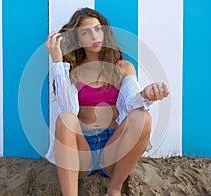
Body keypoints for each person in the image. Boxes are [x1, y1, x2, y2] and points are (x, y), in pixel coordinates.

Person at [45, 7, 170, 196]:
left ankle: (114, 189)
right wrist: (57, 60)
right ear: (78, 40)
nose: (94, 35)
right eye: (86, 32)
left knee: (142, 117)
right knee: (65, 119)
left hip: (112, 147)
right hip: (81, 150)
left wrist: (146, 95)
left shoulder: (123, 67)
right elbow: (66, 108)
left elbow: (131, 101)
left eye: (97, 29)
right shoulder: (71, 70)